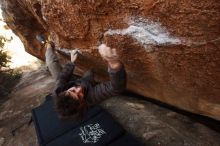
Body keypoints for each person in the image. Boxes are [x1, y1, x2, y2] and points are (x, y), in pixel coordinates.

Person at [45, 41, 126, 121]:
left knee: (51, 64)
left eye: (73, 91)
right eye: (79, 96)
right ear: (82, 103)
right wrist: (114, 64)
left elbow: (63, 77)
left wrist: (72, 62)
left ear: (64, 91)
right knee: (90, 72)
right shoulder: (91, 98)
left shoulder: (58, 91)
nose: (79, 89)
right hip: (86, 84)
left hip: (70, 82)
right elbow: (116, 88)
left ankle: (48, 45)